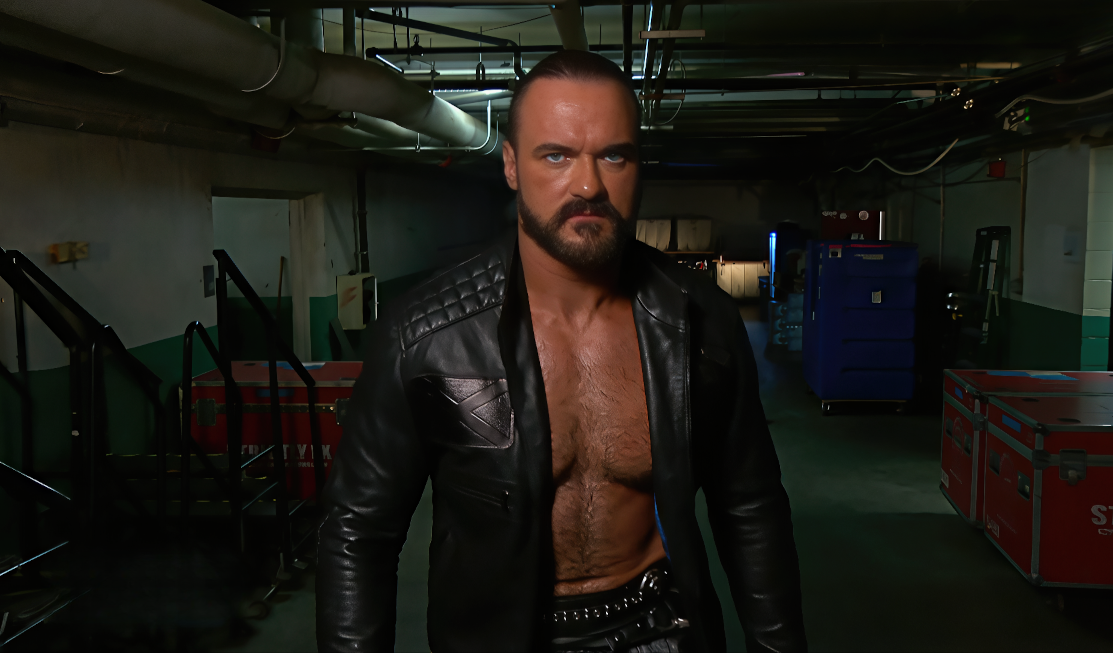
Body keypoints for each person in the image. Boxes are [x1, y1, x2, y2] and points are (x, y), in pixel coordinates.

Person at [316, 50, 806, 653]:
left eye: (614, 156)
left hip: (659, 628)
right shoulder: (424, 334)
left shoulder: (702, 319)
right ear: (511, 166)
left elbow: (750, 504)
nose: (588, 185)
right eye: (556, 155)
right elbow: (359, 530)